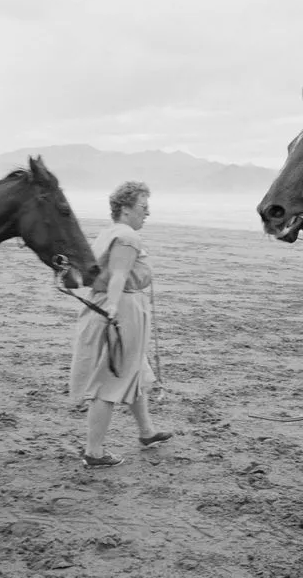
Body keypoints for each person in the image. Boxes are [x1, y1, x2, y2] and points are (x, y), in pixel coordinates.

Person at [69, 181, 172, 468]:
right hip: (120, 309)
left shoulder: (109, 233)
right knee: (111, 379)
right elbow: (118, 275)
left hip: (109, 305)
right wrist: (113, 309)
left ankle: (147, 432)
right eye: (143, 207)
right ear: (125, 209)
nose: (147, 213)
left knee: (134, 370)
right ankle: (94, 451)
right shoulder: (127, 236)